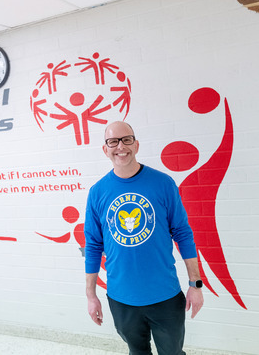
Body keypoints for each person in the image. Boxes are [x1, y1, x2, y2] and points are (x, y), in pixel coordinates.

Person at [84, 121, 204, 355]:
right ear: (105, 148)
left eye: (127, 139)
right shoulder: (98, 192)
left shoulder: (163, 183)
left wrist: (195, 284)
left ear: (136, 144)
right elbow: (93, 245)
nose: (121, 146)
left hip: (165, 296)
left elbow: (183, 233)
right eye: (113, 141)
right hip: (121, 298)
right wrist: (91, 296)